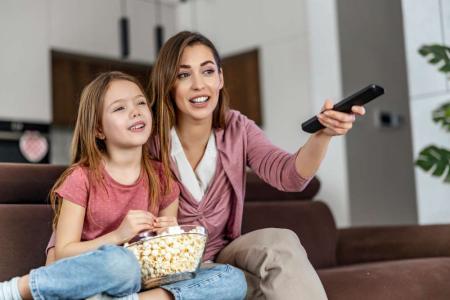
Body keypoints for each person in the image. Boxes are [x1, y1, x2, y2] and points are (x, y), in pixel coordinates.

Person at [147, 31, 367, 300]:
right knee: (260, 291)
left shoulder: (238, 128)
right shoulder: (148, 140)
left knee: (281, 242)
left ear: (220, 78)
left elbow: (289, 176)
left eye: (207, 71)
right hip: (170, 268)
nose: (198, 85)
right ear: (168, 83)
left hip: (225, 253)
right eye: (183, 75)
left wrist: (323, 134)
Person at [0, 71, 246, 300]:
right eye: (119, 108)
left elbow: (162, 263)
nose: (136, 111)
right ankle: (15, 290)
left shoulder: (163, 179)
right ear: (98, 129)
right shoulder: (81, 178)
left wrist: (171, 236)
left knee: (232, 278)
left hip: (140, 281)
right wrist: (118, 236)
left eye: (140, 103)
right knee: (121, 263)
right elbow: (62, 254)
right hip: (89, 274)